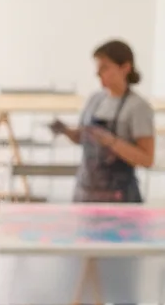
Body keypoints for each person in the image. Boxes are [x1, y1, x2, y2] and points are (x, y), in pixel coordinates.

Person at [50, 40, 156, 204]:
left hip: (120, 197)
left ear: (125, 68)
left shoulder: (138, 107)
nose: (98, 73)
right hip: (85, 192)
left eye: (104, 67)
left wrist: (111, 141)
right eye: (97, 68)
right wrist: (66, 131)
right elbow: (82, 138)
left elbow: (146, 160)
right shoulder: (95, 100)